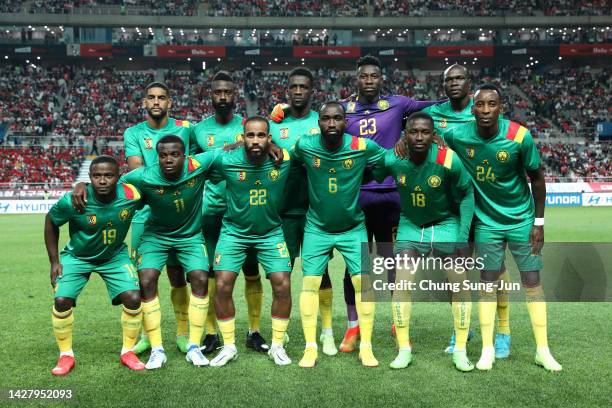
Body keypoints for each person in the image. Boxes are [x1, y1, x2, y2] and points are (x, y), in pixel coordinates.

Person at [443, 84, 561, 371]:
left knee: (532, 283)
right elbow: (434, 138)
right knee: (487, 284)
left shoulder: (519, 136)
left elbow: (538, 179)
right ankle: (486, 350)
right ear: (472, 109)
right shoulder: (458, 134)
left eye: (491, 104)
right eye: (480, 105)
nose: (485, 110)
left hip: (521, 220)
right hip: (486, 224)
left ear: (500, 107)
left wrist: (539, 223)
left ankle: (542, 351)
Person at [71, 82, 194, 355]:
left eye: (162, 97)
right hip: (144, 213)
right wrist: (84, 186)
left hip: (178, 212)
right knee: (145, 278)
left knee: (177, 276)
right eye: (151, 97)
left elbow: (194, 162)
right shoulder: (133, 132)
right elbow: (137, 169)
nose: (156, 102)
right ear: (143, 102)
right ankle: (149, 336)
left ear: (170, 102)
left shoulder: (186, 129)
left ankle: (183, 333)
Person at [339, 55, 443, 351]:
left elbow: (432, 108)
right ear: (356, 79)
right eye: (364, 76)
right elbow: (315, 124)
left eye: (374, 76)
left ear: (381, 78)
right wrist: (280, 111)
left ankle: (399, 326)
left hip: (395, 196)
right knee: (355, 266)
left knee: (395, 266)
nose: (369, 80)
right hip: (358, 196)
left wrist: (461, 102)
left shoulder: (398, 104)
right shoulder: (344, 111)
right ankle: (353, 327)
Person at [374, 112, 474, 371]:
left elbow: (467, 194)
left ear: (433, 136)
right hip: (410, 226)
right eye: (413, 132)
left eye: (425, 132)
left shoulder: (447, 159)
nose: (419, 137)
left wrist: (462, 238)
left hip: (445, 225)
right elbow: (374, 171)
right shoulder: (394, 158)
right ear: (405, 134)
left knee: (459, 283)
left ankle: (461, 350)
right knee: (401, 283)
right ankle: (404, 349)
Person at [422, 64, 511, 356]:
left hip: (486, 206)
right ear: (443, 84)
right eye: (448, 79)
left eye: (459, 78)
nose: (454, 83)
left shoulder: (486, 110)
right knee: (454, 272)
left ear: (469, 83)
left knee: (495, 270)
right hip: (452, 208)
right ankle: (463, 328)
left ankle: (503, 331)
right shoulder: (435, 115)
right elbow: (416, 135)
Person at [292, 102, 385, 368]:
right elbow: (286, 157)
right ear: (318, 122)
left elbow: (387, 162)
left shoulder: (362, 147)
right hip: (316, 228)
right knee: (309, 284)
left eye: (337, 119)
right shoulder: (305, 145)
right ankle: (311, 348)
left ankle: (366, 347)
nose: (331, 123)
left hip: (353, 228)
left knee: (363, 285)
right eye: (326, 119)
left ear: (346, 122)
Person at [120, 135, 219, 369]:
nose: (169, 159)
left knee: (200, 278)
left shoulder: (198, 165)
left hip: (190, 236)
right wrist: (83, 186)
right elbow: (115, 184)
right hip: (156, 236)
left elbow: (225, 151)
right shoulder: (143, 175)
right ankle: (157, 349)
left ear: (184, 156)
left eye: (175, 154)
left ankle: (194, 346)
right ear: (157, 157)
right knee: (146, 279)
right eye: (163, 155)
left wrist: (270, 143)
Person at [44, 156, 145, 375]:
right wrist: (54, 262)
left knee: (134, 298)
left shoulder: (131, 194)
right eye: (96, 176)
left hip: (114, 256)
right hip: (78, 256)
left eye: (108, 175)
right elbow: (51, 221)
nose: (102, 180)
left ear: (118, 178)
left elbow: (155, 193)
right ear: (89, 178)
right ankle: (66, 355)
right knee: (62, 301)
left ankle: (128, 351)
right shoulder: (74, 199)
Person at [191, 71, 266, 355]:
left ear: (236, 95)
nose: (223, 97)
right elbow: (191, 167)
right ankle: (211, 334)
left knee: (251, 271)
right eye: (217, 92)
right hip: (210, 212)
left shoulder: (249, 128)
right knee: (211, 273)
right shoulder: (197, 131)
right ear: (210, 95)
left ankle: (254, 330)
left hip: (244, 211)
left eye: (228, 92)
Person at [209, 116, 293, 367]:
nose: (255, 140)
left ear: (269, 138)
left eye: (261, 136)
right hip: (234, 231)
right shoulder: (225, 159)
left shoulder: (284, 158)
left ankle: (277, 346)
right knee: (222, 284)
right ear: (242, 137)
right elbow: (193, 165)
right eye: (250, 135)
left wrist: (276, 146)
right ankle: (229, 346)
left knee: (282, 284)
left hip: (270, 232)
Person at [269, 67, 336, 356]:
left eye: (303, 87)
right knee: (281, 273)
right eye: (293, 86)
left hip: (314, 211)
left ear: (313, 91)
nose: (298, 91)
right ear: (287, 90)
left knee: (320, 274)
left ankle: (328, 331)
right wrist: (270, 140)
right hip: (281, 211)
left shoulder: (321, 122)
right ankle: (280, 334)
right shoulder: (273, 124)